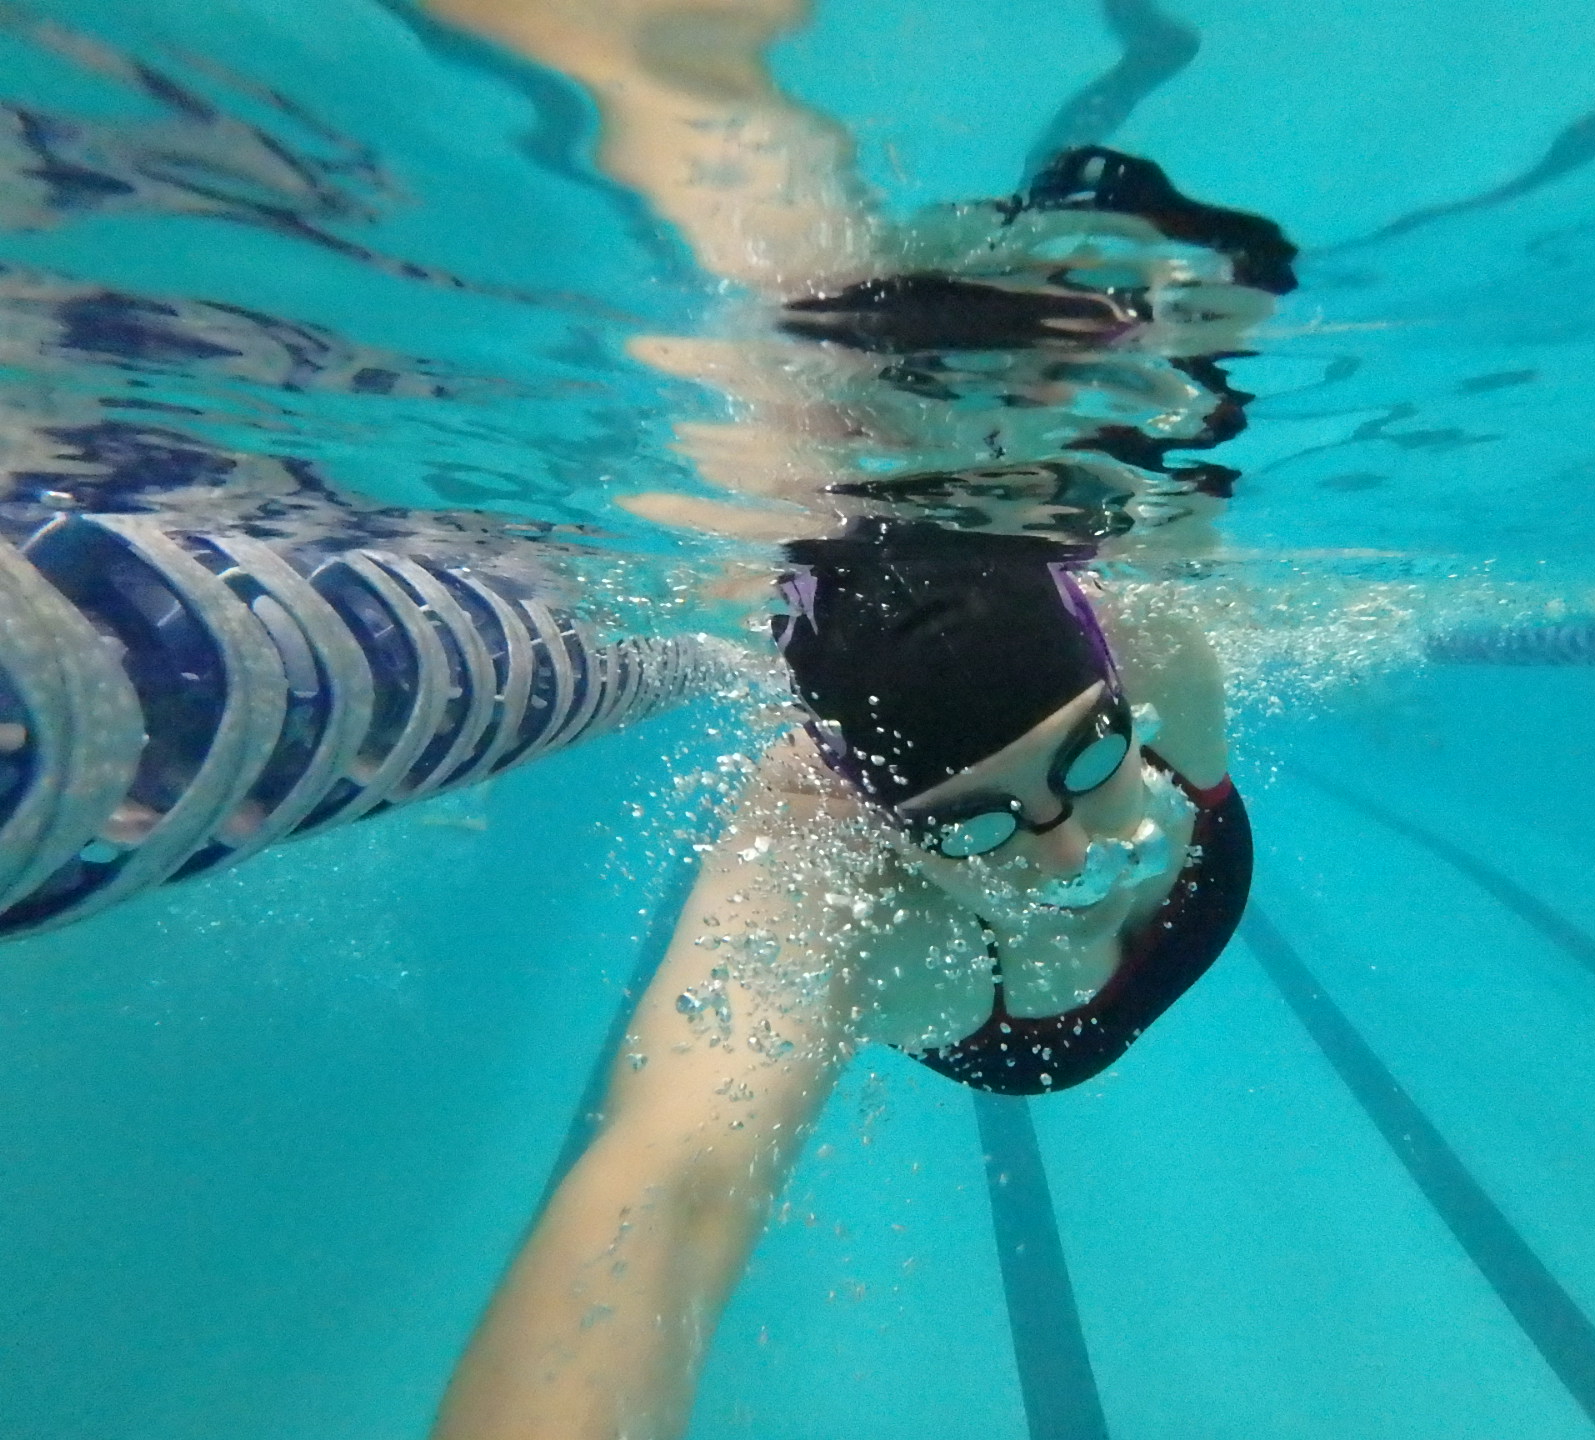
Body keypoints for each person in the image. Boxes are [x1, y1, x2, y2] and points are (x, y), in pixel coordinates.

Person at [431, 521, 1250, 1440]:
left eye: (1089, 756)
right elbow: (672, 1188)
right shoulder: (819, 864)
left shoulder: (1152, 645)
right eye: (971, 825)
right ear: (878, 815)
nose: (1066, 858)